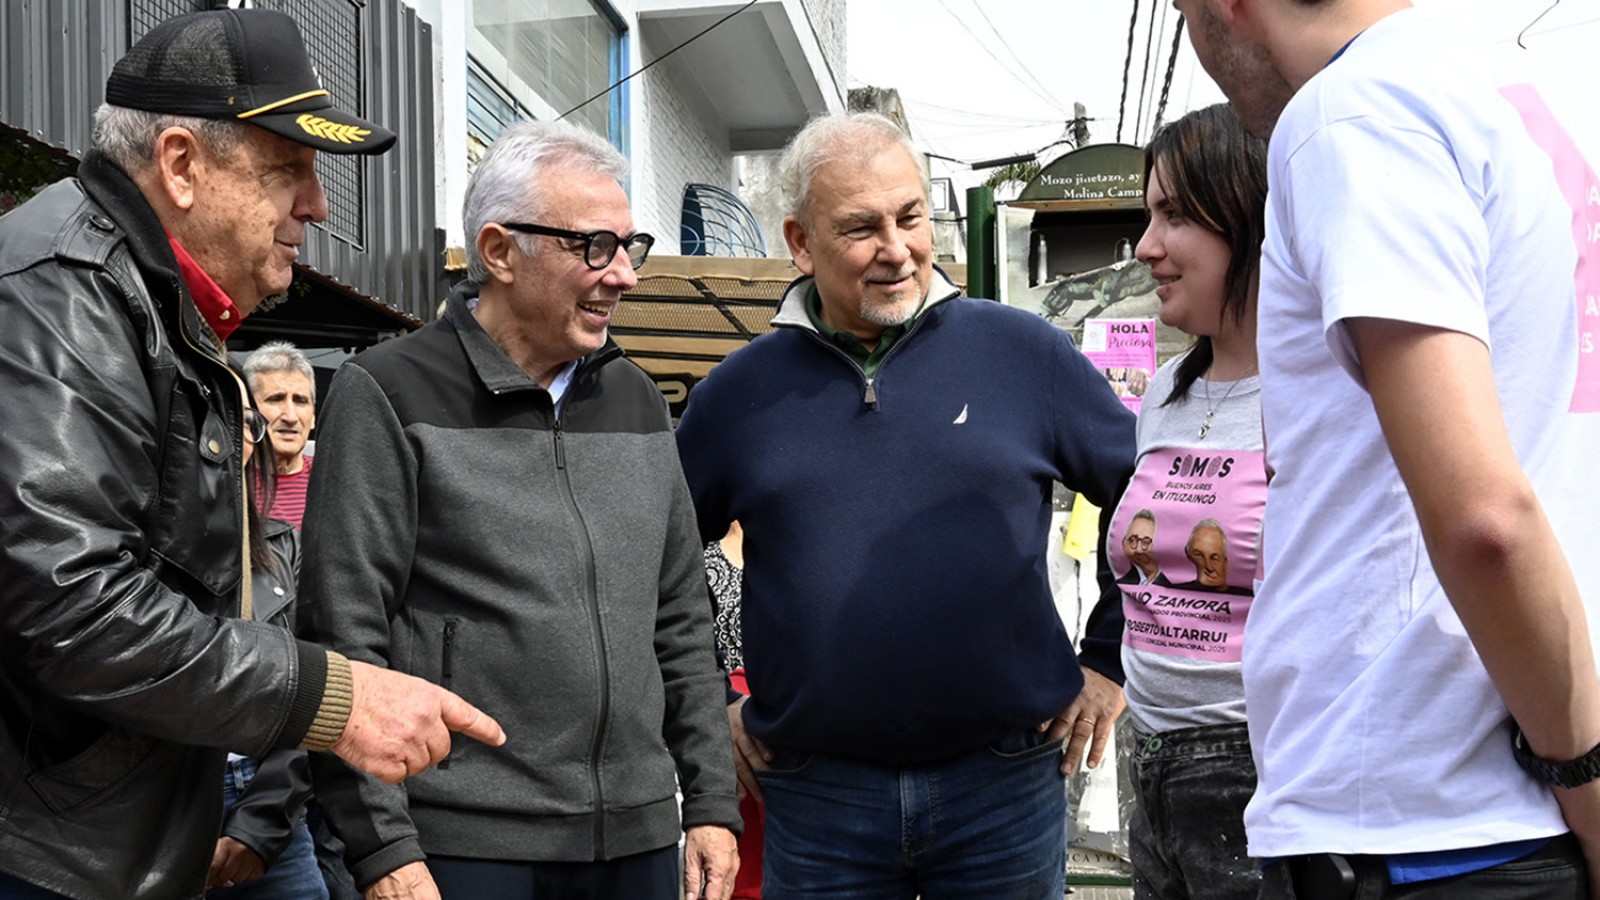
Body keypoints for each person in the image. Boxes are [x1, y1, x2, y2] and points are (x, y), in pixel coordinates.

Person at [0, 10, 504, 899]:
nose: (314, 206)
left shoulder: (144, 302)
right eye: (289, 172)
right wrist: (335, 700)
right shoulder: (66, 293)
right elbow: (73, 606)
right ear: (183, 165)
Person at [1176, 0, 1600, 894]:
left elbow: (1485, 518)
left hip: (1423, 811)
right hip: (1486, 792)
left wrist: (1588, 779)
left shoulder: (1353, 114)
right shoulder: (1505, 96)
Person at [674, 111, 1137, 899]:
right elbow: (661, 559)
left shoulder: (1025, 354)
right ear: (800, 241)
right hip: (816, 797)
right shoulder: (738, 394)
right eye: (861, 228)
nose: (897, 249)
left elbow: (1144, 502)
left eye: (911, 216)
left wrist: (1110, 658)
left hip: (1008, 784)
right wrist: (710, 704)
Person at [299, 118, 741, 900]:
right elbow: (344, 635)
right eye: (593, 248)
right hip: (464, 846)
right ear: (499, 252)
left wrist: (709, 803)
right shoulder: (387, 391)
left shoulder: (637, 398)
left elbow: (679, 616)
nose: (624, 277)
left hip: (639, 840)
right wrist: (384, 851)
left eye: (628, 247)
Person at [1115, 101, 1268, 900]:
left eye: (1173, 214)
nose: (1147, 247)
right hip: (1151, 761)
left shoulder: (1329, 389)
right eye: (1149, 215)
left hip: (1261, 769)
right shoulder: (1165, 396)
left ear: (1246, 212)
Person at [208, 403, 326, 900]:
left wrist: (261, 822)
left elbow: (313, 686)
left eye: (246, 421)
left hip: (270, 805)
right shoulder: (131, 550)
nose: (238, 434)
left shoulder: (282, 547)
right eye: (216, 412)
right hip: (161, 811)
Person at [244, 341, 318, 528]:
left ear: (313, 417)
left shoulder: (333, 483)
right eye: (276, 399)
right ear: (248, 413)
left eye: (301, 401)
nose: (291, 417)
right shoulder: (227, 485)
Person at [1118, 509, 1163, 586]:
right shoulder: (1120, 584)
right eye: (1133, 540)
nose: (1138, 550)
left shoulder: (1172, 581)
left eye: (1146, 542)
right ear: (1124, 543)